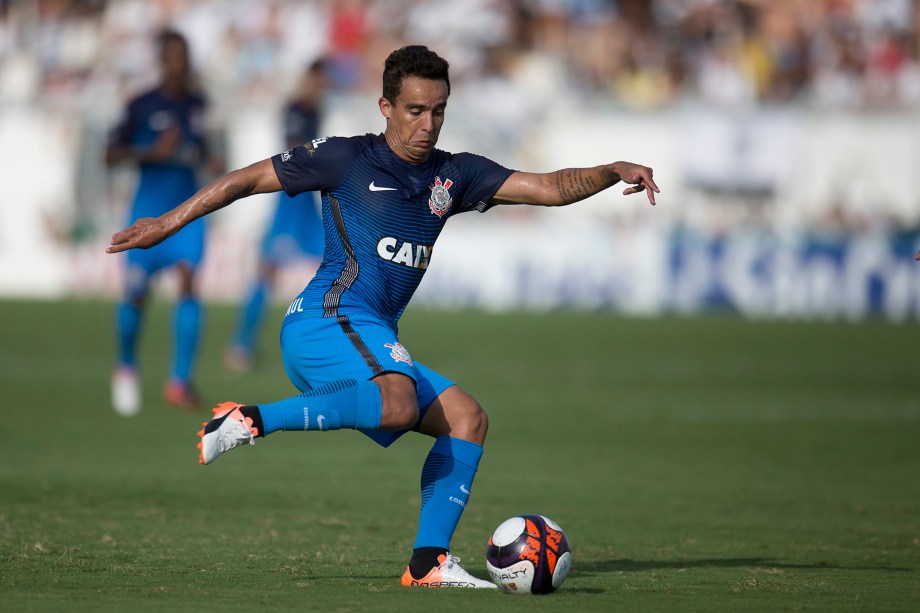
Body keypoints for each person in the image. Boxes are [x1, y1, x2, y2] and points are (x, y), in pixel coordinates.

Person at [107, 45, 659, 588]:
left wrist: (611, 170)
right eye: (416, 110)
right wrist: (168, 223)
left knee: (467, 420)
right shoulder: (345, 158)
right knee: (396, 402)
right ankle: (247, 419)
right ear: (385, 107)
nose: (428, 124)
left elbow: (548, 188)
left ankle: (428, 564)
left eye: (439, 111)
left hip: (367, 334)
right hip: (325, 319)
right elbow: (247, 179)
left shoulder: (456, 175)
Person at [107, 30, 215, 415]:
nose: (180, 64)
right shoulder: (140, 104)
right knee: (136, 294)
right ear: (161, 61)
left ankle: (179, 382)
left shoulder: (198, 104)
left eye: (184, 56)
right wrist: (149, 152)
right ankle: (126, 368)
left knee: (188, 284)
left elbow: (204, 148)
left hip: (185, 214)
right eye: (173, 57)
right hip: (146, 212)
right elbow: (109, 155)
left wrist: (212, 160)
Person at [224, 60, 327, 373]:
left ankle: (332, 339)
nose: (320, 88)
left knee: (339, 261)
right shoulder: (295, 108)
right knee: (267, 271)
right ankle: (240, 344)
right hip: (290, 198)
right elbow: (294, 152)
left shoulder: (315, 110)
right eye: (317, 82)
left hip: (306, 200)